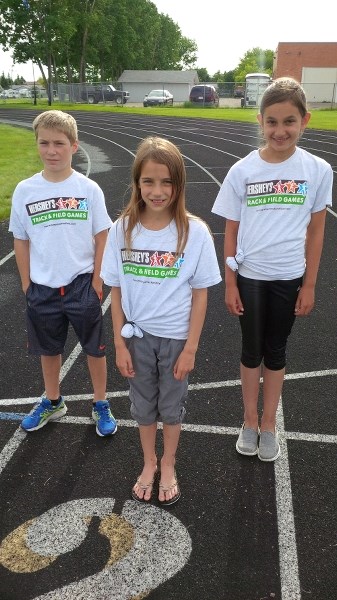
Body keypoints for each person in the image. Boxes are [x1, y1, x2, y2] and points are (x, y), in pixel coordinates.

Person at [212, 77, 333, 462]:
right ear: (260, 122)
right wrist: (230, 282)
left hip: (289, 277)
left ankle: (269, 423)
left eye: (289, 122)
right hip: (250, 277)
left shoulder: (317, 169)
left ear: (304, 121)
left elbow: (316, 230)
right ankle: (249, 420)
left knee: (276, 352)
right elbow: (230, 230)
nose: (280, 131)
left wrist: (310, 284)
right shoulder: (242, 171)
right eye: (272, 122)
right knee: (251, 351)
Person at [101, 136, 221, 504]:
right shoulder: (122, 230)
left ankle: (168, 463)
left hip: (175, 341)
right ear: (137, 182)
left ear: (179, 184)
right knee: (142, 406)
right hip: (136, 339)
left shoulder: (194, 232)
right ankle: (149, 462)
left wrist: (191, 349)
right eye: (149, 181)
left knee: (171, 406)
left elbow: (200, 293)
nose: (157, 190)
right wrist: (119, 344)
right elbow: (116, 289)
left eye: (167, 181)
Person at [9, 110, 117, 437]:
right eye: (45, 143)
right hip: (42, 288)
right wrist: (27, 283)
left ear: (74, 146)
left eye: (59, 143)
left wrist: (97, 281)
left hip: (82, 284)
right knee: (49, 350)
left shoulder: (88, 189)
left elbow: (103, 236)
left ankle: (100, 403)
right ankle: (53, 400)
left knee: (94, 349)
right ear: (37, 145)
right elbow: (20, 239)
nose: (51, 150)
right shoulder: (25, 191)